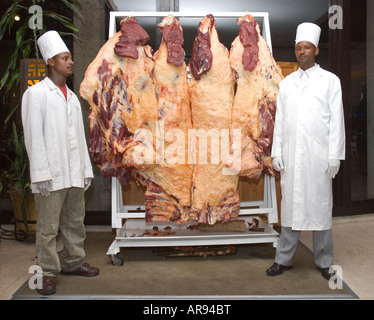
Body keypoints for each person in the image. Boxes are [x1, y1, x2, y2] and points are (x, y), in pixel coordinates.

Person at [22, 31, 99, 295]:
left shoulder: (74, 100)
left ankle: (73, 261)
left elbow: (80, 137)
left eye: (70, 58)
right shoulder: (36, 94)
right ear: (51, 62)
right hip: (51, 174)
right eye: (64, 58)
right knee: (47, 228)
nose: (70, 62)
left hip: (74, 172)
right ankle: (46, 272)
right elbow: (33, 137)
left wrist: (85, 170)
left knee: (75, 222)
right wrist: (41, 174)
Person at [266, 23, 345, 280]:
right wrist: (277, 151)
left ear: (316, 50)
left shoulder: (330, 81)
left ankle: (324, 261)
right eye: (298, 48)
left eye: (307, 47)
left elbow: (337, 120)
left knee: (320, 207)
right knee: (290, 209)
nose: (302, 52)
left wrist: (335, 155)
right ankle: (284, 259)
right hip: (291, 155)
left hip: (318, 157)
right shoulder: (287, 83)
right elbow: (280, 121)